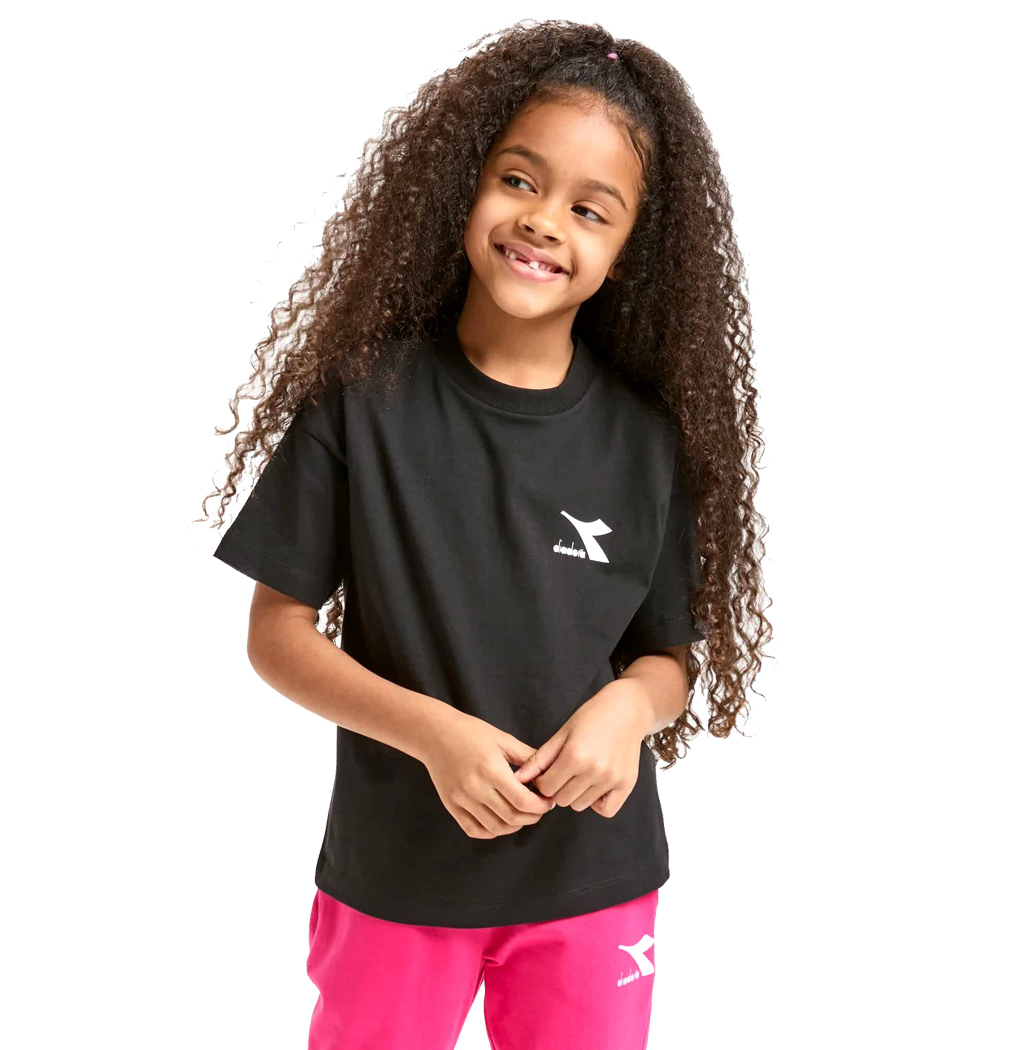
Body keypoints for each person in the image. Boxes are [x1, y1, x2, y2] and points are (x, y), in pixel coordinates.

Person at [201, 18, 771, 1050]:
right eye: (519, 180)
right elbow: (276, 634)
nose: (545, 221)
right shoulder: (361, 405)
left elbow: (668, 657)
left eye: (590, 209)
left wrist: (628, 710)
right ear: (461, 183)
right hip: (397, 877)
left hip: (595, 878)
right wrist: (434, 735)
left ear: (628, 252)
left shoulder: (646, 442)